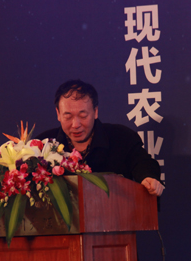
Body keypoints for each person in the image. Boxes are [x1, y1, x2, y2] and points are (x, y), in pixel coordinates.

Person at [36, 79, 165, 196]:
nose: (76, 124)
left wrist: (148, 177)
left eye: (83, 116)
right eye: (68, 116)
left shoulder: (121, 137)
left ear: (95, 112)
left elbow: (143, 163)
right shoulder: (43, 145)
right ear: (58, 114)